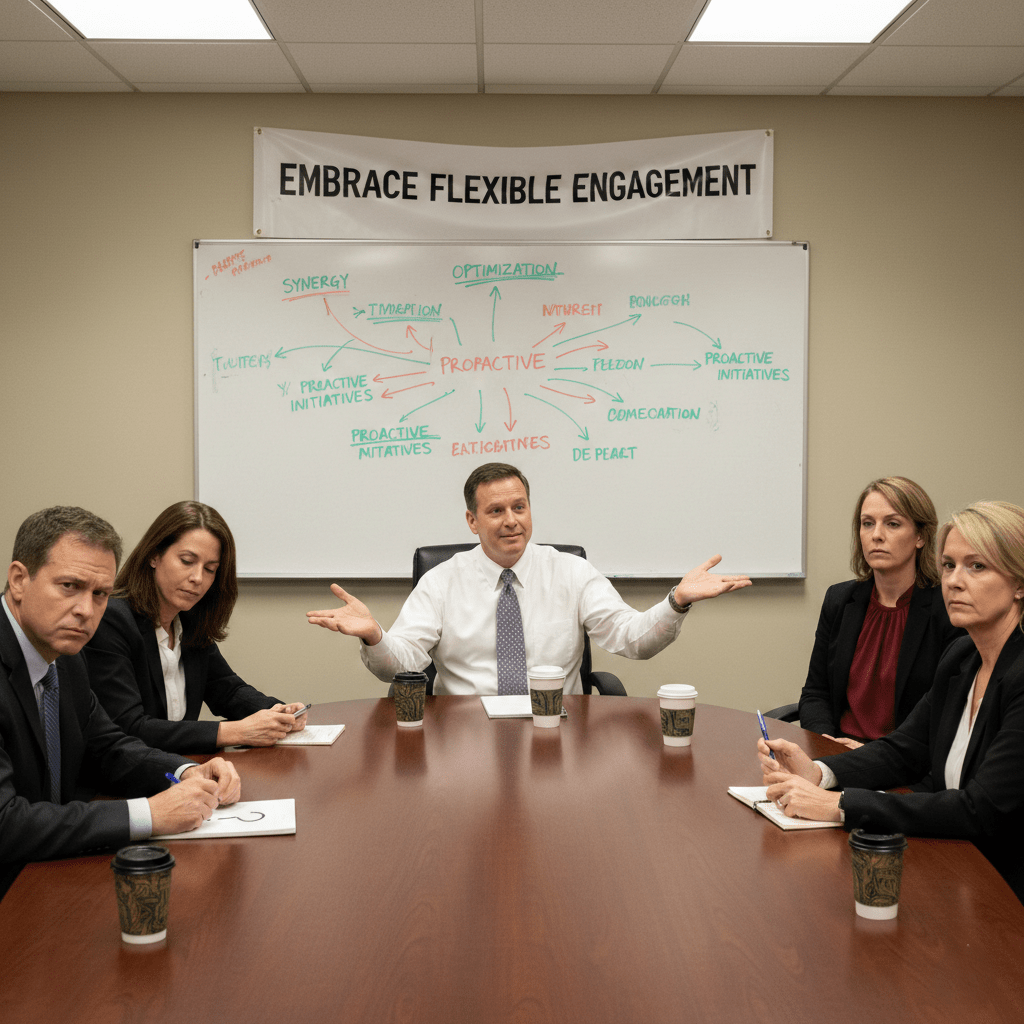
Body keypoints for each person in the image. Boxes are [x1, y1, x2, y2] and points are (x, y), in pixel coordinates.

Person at [760, 501, 1024, 903]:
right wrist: (819, 772)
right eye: (949, 565)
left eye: (977, 566)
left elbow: (980, 810)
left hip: (1003, 887)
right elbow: (905, 749)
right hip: (952, 862)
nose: (954, 581)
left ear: (1019, 584)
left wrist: (839, 805)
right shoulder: (961, 658)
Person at [307, 462, 751, 694]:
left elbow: (632, 639)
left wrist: (676, 601)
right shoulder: (442, 581)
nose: (511, 521)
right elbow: (401, 666)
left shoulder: (570, 571)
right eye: (495, 510)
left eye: (519, 507)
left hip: (556, 726)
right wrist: (374, 636)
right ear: (472, 520)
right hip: (464, 732)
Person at [0, 506, 241, 899]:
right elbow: (5, 823)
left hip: (47, 873)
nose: (86, 610)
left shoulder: (67, 656)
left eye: (100, 594)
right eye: (69, 586)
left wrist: (183, 771)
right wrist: (150, 814)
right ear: (19, 580)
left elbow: (110, 747)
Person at [86, 501, 307, 753]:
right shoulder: (112, 620)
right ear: (154, 555)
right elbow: (129, 727)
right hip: (127, 775)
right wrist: (234, 731)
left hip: (183, 768)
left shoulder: (189, 622)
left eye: (210, 569)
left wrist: (278, 712)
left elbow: (228, 690)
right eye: (187, 561)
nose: (198, 578)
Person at [798, 476, 963, 748]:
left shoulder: (948, 609)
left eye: (892, 523)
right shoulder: (839, 600)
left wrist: (867, 756)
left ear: (920, 536)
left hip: (902, 760)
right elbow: (816, 693)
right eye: (867, 523)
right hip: (836, 753)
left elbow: (940, 717)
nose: (876, 535)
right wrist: (827, 742)